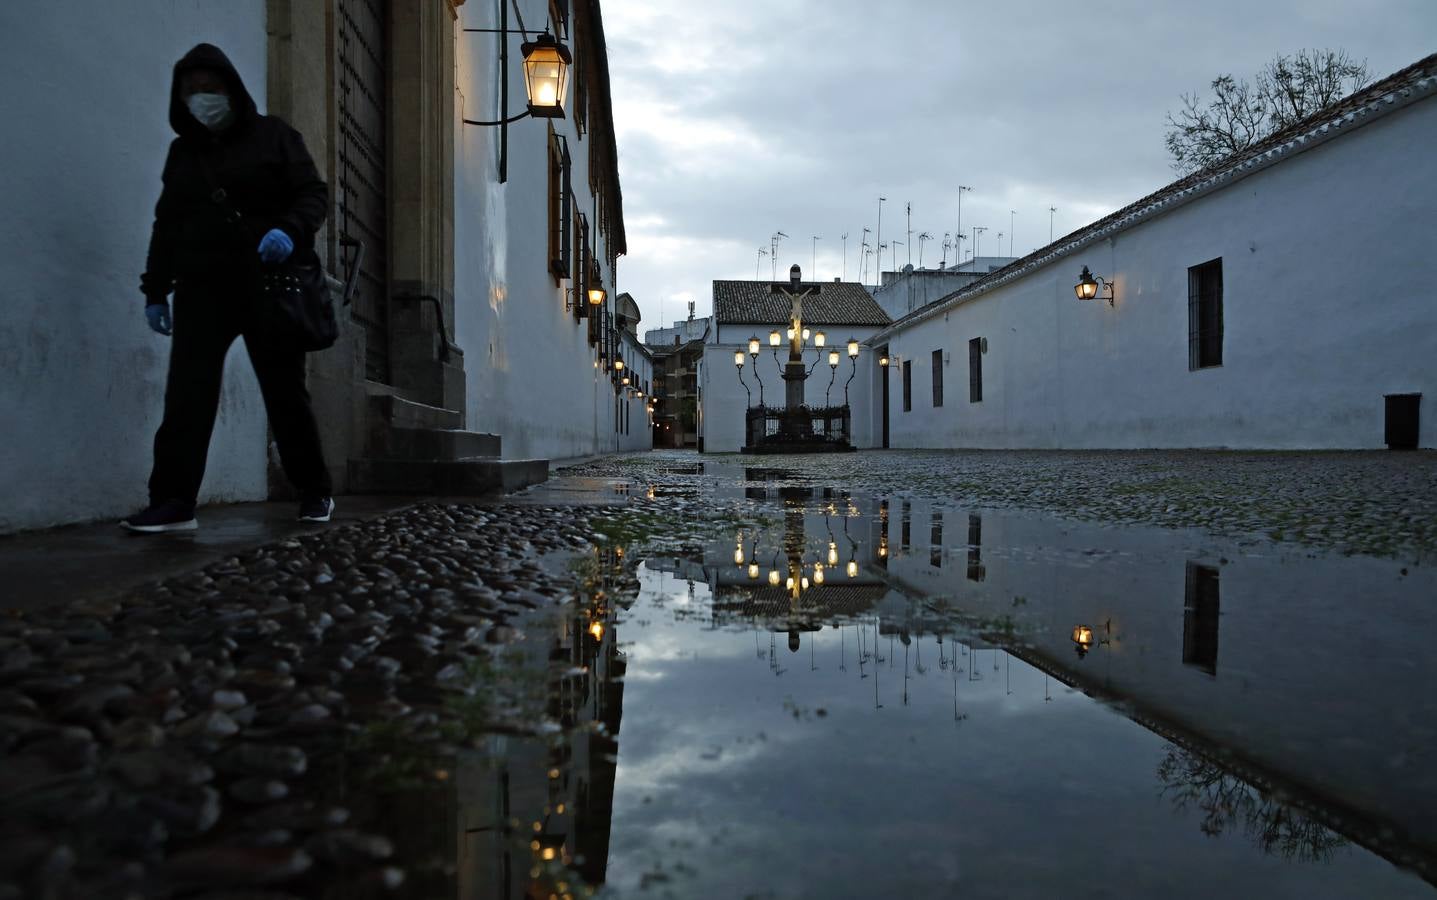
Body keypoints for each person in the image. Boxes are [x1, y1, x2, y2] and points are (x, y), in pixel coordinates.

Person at [121, 44, 334, 533]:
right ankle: (173, 502)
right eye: (191, 90)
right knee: (187, 398)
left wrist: (289, 229)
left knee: (285, 396)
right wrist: (155, 291)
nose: (201, 98)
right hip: (202, 289)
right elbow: (167, 223)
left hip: (269, 284)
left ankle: (314, 490)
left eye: (209, 88)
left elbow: (312, 192)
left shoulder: (275, 136)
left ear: (231, 89)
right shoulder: (184, 153)